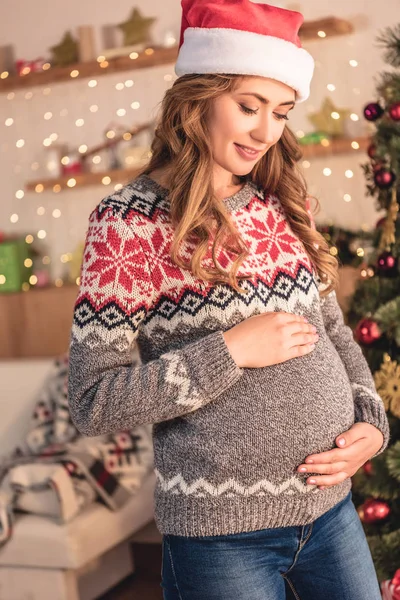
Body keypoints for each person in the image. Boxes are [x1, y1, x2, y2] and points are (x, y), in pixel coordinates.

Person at [67, 1, 390, 598]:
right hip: (221, 539)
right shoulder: (127, 223)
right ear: (198, 97)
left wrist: (371, 422)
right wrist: (230, 351)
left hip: (332, 514)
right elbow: (92, 403)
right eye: (248, 107)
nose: (267, 132)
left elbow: (335, 331)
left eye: (281, 112)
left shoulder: (279, 200)